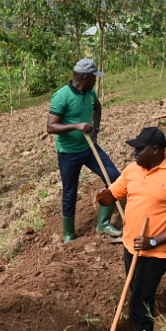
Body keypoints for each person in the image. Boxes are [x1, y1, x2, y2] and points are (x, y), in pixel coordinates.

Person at [92, 127, 166, 331]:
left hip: (155, 251)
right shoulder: (132, 170)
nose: (134, 153)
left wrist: (153, 241)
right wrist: (101, 195)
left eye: (139, 148)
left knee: (140, 299)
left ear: (155, 150)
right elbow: (112, 196)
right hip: (130, 246)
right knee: (138, 295)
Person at [48, 58, 123, 243]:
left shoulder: (90, 94)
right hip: (68, 153)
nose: (96, 81)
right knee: (70, 192)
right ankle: (69, 234)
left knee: (114, 177)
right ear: (84, 77)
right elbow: (51, 127)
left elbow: (97, 108)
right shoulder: (61, 96)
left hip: (89, 148)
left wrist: (95, 128)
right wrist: (76, 126)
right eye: (94, 77)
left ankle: (103, 224)